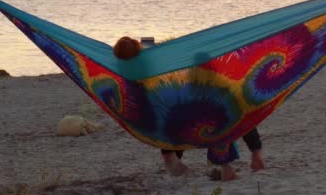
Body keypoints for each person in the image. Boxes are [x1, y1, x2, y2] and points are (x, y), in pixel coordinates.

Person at [113, 36, 265, 181]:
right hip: (215, 124)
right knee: (227, 117)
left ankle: (171, 156)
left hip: (148, 114)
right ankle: (244, 160)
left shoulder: (125, 70)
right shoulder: (220, 88)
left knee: (175, 118)